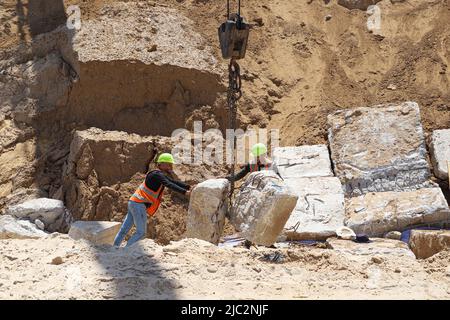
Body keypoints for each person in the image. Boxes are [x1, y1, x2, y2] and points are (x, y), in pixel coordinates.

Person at [113, 153, 193, 247]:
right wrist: (185, 192)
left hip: (133, 202)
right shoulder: (157, 175)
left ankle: (115, 248)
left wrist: (188, 187)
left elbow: (173, 181)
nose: (170, 166)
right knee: (141, 232)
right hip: (139, 204)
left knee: (124, 229)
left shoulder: (157, 174)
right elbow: (168, 184)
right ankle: (126, 251)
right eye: (168, 164)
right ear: (161, 164)